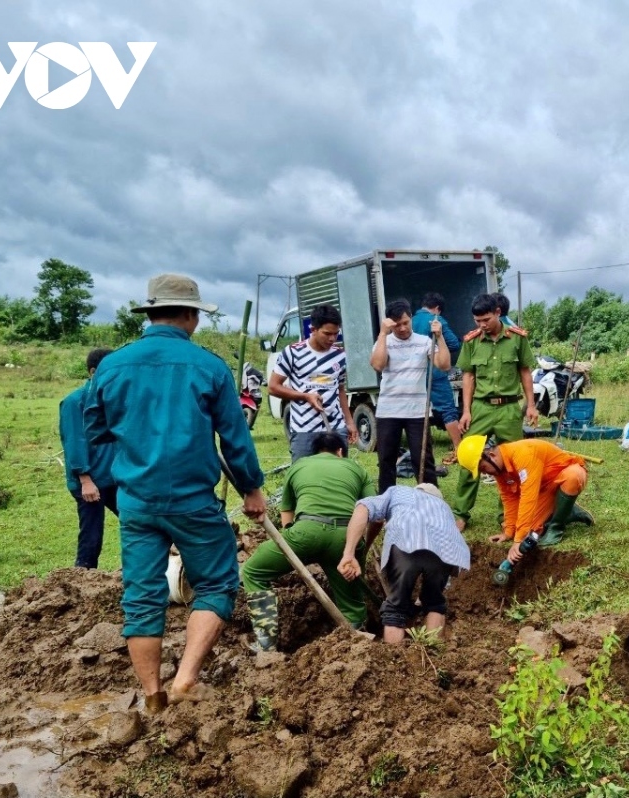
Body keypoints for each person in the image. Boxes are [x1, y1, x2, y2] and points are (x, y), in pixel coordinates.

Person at [85, 274, 267, 713]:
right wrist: (251, 489)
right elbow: (235, 438)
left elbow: (95, 429)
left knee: (142, 595)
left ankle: (153, 696)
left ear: (150, 314)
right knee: (219, 581)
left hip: (137, 501)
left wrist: (135, 445)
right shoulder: (208, 367)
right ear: (191, 316)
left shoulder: (112, 366)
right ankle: (185, 679)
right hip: (192, 500)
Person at [241, 431, 374, 650]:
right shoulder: (357, 468)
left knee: (253, 572)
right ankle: (356, 646)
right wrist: (359, 548)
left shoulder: (299, 465)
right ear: (340, 451)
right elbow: (371, 510)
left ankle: (266, 643)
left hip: (304, 532)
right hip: (345, 537)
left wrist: (294, 548)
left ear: (314, 453)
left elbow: (287, 514)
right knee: (351, 604)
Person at [337, 483, 470, 645]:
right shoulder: (445, 508)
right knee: (435, 603)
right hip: (445, 549)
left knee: (396, 606)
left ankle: (394, 662)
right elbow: (444, 572)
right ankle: (434, 656)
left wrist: (349, 553)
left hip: (406, 540)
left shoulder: (397, 492)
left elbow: (363, 508)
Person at [451, 294, 538, 529]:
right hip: (480, 408)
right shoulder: (471, 341)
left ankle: (507, 515)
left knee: (511, 463)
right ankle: (460, 514)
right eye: (477, 321)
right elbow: (468, 376)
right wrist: (466, 411)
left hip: (509, 408)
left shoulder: (517, 339)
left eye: (486, 319)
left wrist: (530, 405)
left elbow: (525, 372)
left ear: (498, 312)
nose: (481, 325)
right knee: (469, 459)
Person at [456, 436, 593, 561]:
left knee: (573, 476)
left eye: (482, 468)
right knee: (529, 529)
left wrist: (518, 540)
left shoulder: (523, 454)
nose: (485, 473)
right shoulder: (500, 469)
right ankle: (567, 510)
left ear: (490, 455)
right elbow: (509, 498)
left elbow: (528, 497)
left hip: (564, 476)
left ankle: (556, 527)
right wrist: (509, 532)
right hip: (544, 489)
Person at [370, 299, 452, 491]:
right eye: (397, 324)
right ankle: (386, 503)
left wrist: (439, 337)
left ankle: (430, 501)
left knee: (423, 459)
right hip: (388, 411)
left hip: (417, 411)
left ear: (411, 319)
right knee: (386, 459)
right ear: (390, 323)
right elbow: (378, 365)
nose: (402, 328)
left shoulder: (424, 342)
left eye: (405, 323)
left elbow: (444, 365)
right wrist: (383, 333)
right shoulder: (384, 341)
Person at [269, 304, 358, 461]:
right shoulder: (293, 352)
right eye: (327, 333)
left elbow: (340, 389)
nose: (332, 338)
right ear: (313, 329)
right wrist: (305, 396)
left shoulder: (340, 355)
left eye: (336, 334)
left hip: (335, 428)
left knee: (338, 476)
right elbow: (273, 387)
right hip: (304, 428)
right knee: (303, 476)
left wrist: (349, 422)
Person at [59, 347, 118, 569]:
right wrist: (85, 480)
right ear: (93, 372)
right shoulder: (75, 402)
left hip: (113, 478)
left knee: (139, 522)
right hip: (89, 483)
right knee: (92, 535)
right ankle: (81, 578)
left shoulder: (109, 399)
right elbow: (74, 441)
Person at [411, 293, 464, 463]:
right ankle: (459, 449)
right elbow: (454, 343)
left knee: (418, 411)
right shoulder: (435, 320)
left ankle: (423, 449)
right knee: (448, 409)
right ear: (438, 308)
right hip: (435, 371)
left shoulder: (409, 321)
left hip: (414, 373)